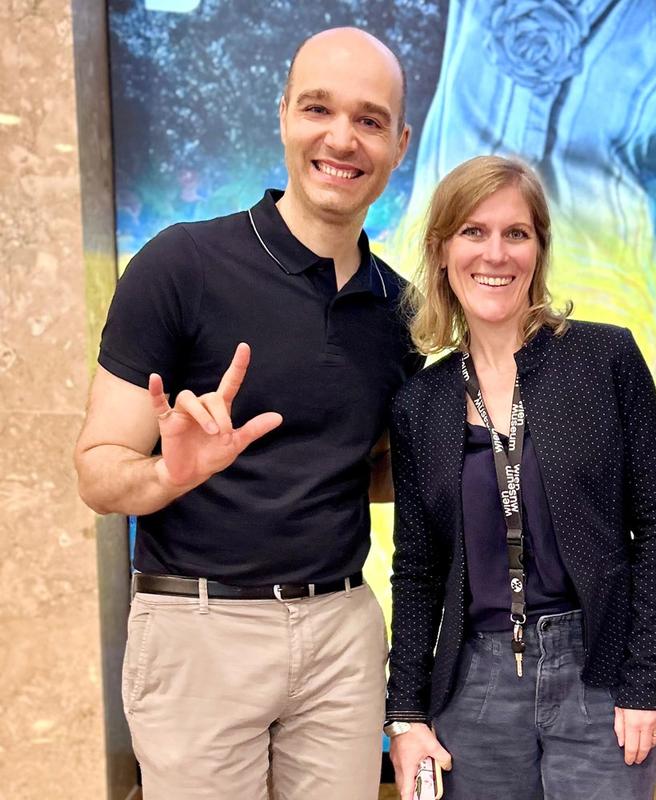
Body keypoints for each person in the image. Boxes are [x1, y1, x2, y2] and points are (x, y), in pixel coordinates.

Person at [73, 28, 421, 800]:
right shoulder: (180, 265)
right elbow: (98, 473)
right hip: (199, 630)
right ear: (283, 115)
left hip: (341, 633)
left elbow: (367, 471)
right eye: (318, 109)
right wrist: (170, 474)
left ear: (399, 144)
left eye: (369, 120)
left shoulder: (402, 312)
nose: (342, 139)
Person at [383, 155, 656, 800]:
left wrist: (647, 677)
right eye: (473, 231)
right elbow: (417, 570)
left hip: (598, 676)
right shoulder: (420, 404)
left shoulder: (604, 357)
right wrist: (405, 716)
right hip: (476, 686)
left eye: (516, 233)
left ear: (538, 250)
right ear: (441, 251)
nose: (495, 253)